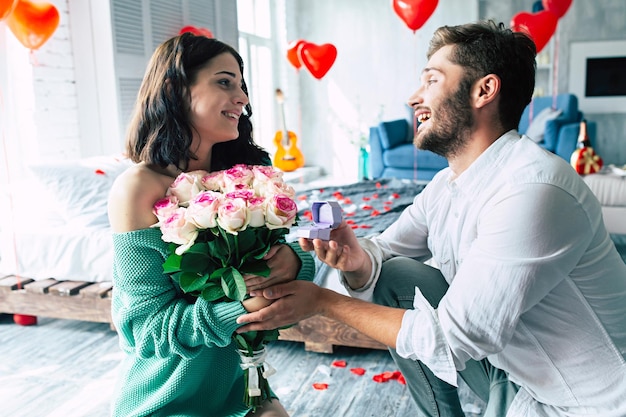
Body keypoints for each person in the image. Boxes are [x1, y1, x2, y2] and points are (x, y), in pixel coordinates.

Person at [237, 20, 626, 417]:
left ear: (483, 91)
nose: (413, 98)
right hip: (518, 374)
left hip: (589, 402)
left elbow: (453, 341)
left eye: (432, 81)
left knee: (438, 327)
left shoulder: (533, 191)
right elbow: (384, 250)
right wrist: (356, 259)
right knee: (396, 274)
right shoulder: (448, 184)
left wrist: (324, 301)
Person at [107, 32, 314, 417]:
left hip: (245, 389)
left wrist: (294, 262)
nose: (243, 98)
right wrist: (240, 309)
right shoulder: (138, 188)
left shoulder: (249, 179)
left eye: (242, 85)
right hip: (166, 401)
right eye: (224, 82)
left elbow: (301, 250)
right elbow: (145, 330)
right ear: (175, 89)